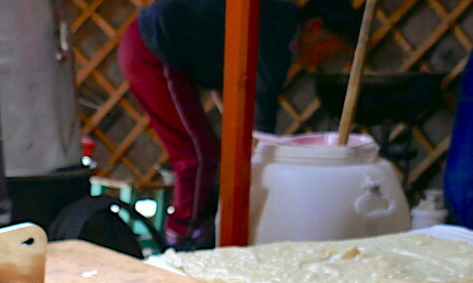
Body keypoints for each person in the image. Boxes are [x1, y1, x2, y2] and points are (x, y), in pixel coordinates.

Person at [119, 0, 358, 251]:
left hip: (164, 50)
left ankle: (196, 226)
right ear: (314, 28)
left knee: (204, 149)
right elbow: (262, 102)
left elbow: (232, 77)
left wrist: (250, 136)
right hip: (152, 48)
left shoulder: (279, 23)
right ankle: (181, 236)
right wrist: (261, 148)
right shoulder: (279, 29)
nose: (320, 64)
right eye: (328, 53)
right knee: (196, 154)